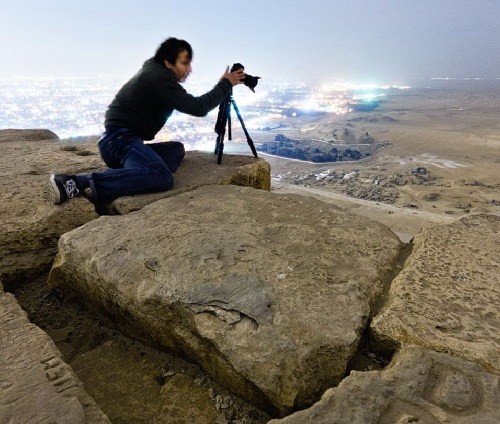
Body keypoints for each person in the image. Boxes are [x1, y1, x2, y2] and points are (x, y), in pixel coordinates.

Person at [49, 37, 245, 214]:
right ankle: (76, 182)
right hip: (119, 142)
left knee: (176, 149)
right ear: (168, 63)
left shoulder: (155, 72)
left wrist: (223, 84)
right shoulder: (159, 79)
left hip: (121, 142)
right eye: (185, 63)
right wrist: (225, 85)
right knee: (163, 178)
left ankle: (137, 176)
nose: (189, 69)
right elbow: (198, 107)